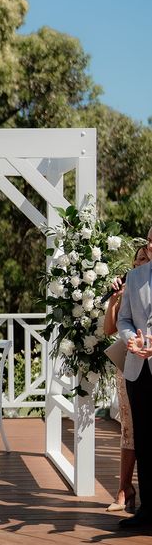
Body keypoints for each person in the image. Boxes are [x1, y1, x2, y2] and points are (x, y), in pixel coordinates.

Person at [104, 246, 149, 512]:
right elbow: (112, 327)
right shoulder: (130, 285)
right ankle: (128, 492)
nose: (142, 261)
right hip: (131, 365)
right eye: (139, 258)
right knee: (132, 432)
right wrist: (114, 299)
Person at [116, 227, 152, 529]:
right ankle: (146, 511)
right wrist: (131, 339)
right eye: (150, 241)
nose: (151, 245)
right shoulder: (135, 277)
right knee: (143, 439)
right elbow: (124, 319)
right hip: (137, 370)